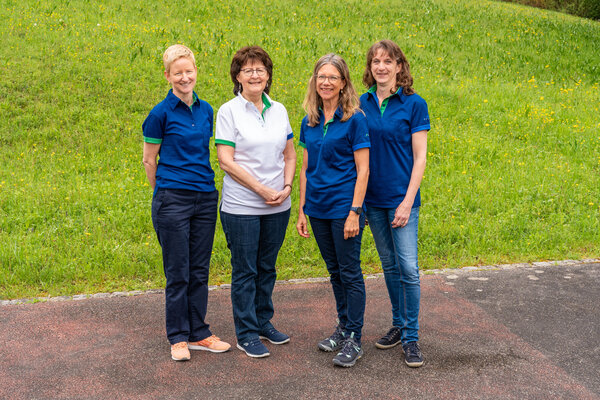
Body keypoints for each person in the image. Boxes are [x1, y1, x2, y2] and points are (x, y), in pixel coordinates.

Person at [142, 45, 231, 361]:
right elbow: (149, 160)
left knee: (199, 270)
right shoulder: (159, 114)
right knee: (178, 271)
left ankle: (199, 333)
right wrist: (166, 192)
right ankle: (178, 337)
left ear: (196, 72)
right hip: (173, 200)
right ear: (167, 76)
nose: (184, 77)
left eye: (188, 71)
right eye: (177, 73)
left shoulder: (207, 110)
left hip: (205, 197)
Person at [216, 46, 296, 358]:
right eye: (247, 70)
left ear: (268, 75)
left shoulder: (279, 110)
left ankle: (263, 322)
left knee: (267, 267)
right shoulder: (229, 111)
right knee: (245, 270)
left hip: (278, 205)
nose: (254, 75)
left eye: (260, 69)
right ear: (237, 76)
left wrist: (286, 187)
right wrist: (262, 190)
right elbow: (226, 161)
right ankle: (246, 333)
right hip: (242, 207)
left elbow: (289, 155)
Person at [296, 53, 370, 368]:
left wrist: (355, 211)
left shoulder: (355, 119)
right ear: (315, 81)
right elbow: (305, 169)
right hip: (317, 208)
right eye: (321, 77)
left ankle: (354, 337)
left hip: (344, 208)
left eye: (332, 78)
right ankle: (343, 327)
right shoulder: (309, 120)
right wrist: (302, 209)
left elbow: (363, 170)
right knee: (334, 271)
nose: (326, 82)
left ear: (343, 83)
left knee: (350, 271)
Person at [360, 40, 430, 368]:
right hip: (373, 200)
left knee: (409, 269)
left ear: (399, 66)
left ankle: (412, 337)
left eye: (388, 61)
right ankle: (399, 325)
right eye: (376, 61)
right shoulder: (360, 104)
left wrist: (407, 201)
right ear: (370, 67)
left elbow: (420, 158)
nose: (382, 67)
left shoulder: (414, 104)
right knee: (389, 266)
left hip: (403, 200)